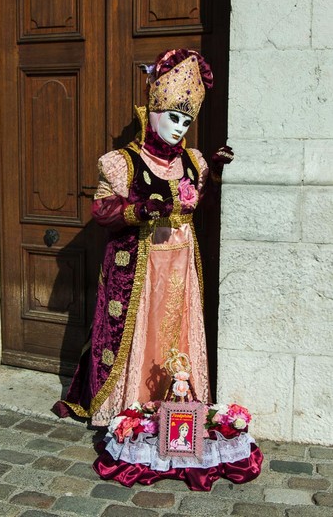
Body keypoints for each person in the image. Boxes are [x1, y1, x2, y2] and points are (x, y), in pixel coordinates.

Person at [53, 48, 233, 426]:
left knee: (177, 329)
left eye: (187, 119)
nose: (181, 127)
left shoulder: (193, 161)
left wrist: (213, 172)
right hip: (140, 266)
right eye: (173, 116)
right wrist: (140, 210)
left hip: (181, 267)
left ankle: (178, 400)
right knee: (139, 331)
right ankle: (132, 403)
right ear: (151, 112)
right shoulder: (123, 161)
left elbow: (201, 205)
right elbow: (102, 212)